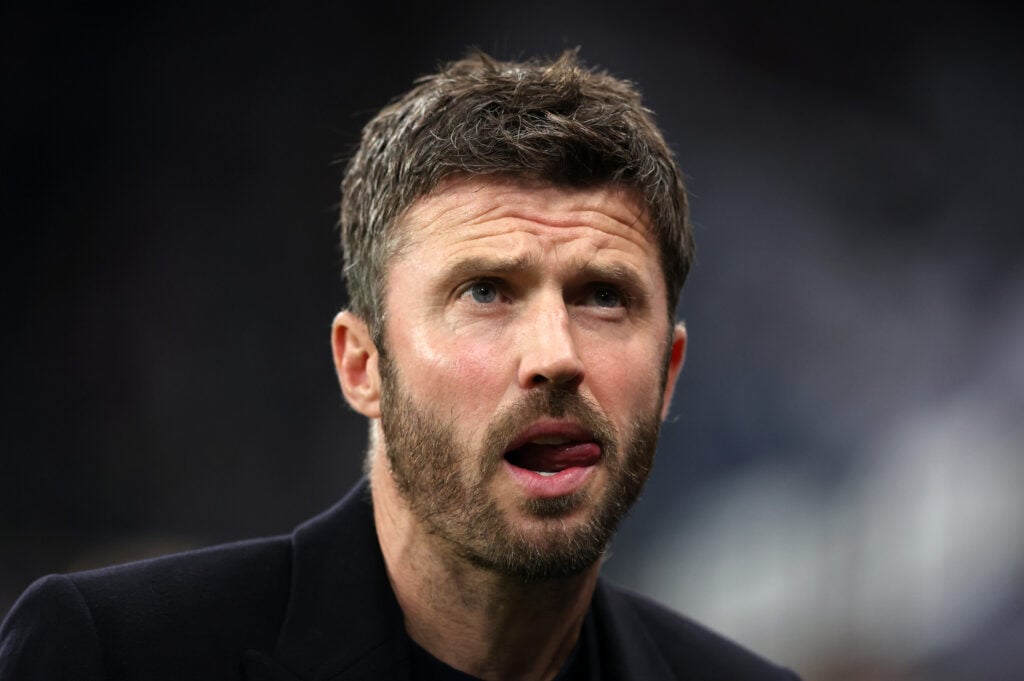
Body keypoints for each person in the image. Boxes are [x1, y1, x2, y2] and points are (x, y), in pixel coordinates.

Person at [0, 50, 800, 680]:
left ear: (670, 370)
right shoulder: (118, 655)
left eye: (603, 296)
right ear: (362, 365)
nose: (555, 355)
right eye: (486, 291)